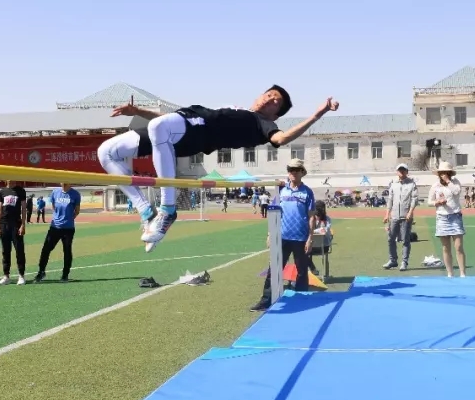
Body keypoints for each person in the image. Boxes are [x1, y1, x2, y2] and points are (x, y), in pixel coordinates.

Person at [98, 87, 339, 251]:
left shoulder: (264, 124)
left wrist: (319, 113)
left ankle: (167, 209)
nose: (269, 99)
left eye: (276, 101)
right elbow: (170, 118)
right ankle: (145, 212)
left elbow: (282, 138)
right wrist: (138, 111)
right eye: (269, 94)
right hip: (184, 120)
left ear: (276, 113)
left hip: (195, 132)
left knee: (160, 126)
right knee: (106, 152)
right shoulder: (238, 109)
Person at [252, 158, 314, 312]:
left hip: (301, 238)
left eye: (296, 169)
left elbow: (311, 216)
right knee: (274, 269)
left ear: (302, 172)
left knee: (301, 271)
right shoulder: (281, 191)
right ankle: (266, 300)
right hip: (282, 237)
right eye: (291, 169)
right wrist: (270, 234)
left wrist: (310, 238)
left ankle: (302, 299)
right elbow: (274, 214)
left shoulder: (308, 192)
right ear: (288, 172)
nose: (293, 172)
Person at [35, 182, 81, 283]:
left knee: (67, 251)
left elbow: (77, 211)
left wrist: (69, 219)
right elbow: (54, 207)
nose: (63, 182)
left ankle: (65, 275)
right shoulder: (55, 192)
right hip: (55, 227)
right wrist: (58, 218)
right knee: (46, 249)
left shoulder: (75, 194)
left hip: (68, 229)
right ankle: (41, 272)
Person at [428, 161, 467, 278]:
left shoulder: (455, 183)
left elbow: (457, 192)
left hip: (455, 216)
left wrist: (448, 182)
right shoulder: (435, 186)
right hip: (442, 217)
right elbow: (429, 201)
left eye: (445, 173)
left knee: (459, 246)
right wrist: (437, 202)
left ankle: (462, 273)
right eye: (441, 173)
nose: (443, 175)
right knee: (446, 247)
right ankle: (450, 273)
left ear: (450, 173)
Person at [382, 163, 419, 271]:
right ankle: (393, 260)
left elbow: (414, 200)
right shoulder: (393, 184)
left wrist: (410, 212)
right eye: (400, 170)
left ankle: (404, 262)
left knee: (405, 240)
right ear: (397, 172)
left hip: (406, 217)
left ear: (407, 172)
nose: (401, 172)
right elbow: (390, 200)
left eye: (403, 170)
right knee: (391, 239)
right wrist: (386, 214)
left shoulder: (412, 184)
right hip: (394, 216)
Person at [0, 180, 28, 285]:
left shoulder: (20, 191)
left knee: (19, 250)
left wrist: (23, 224)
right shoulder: (2, 192)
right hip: (4, 224)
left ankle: (21, 276)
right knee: (5, 251)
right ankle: (6, 276)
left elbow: (24, 208)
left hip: (16, 224)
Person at [308, 198, 332, 275]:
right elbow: (323, 230)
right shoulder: (311, 219)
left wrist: (312, 231)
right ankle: (313, 269)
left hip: (322, 246)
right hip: (312, 247)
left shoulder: (326, 219)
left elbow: (324, 230)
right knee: (301, 253)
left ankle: (312, 269)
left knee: (302, 253)